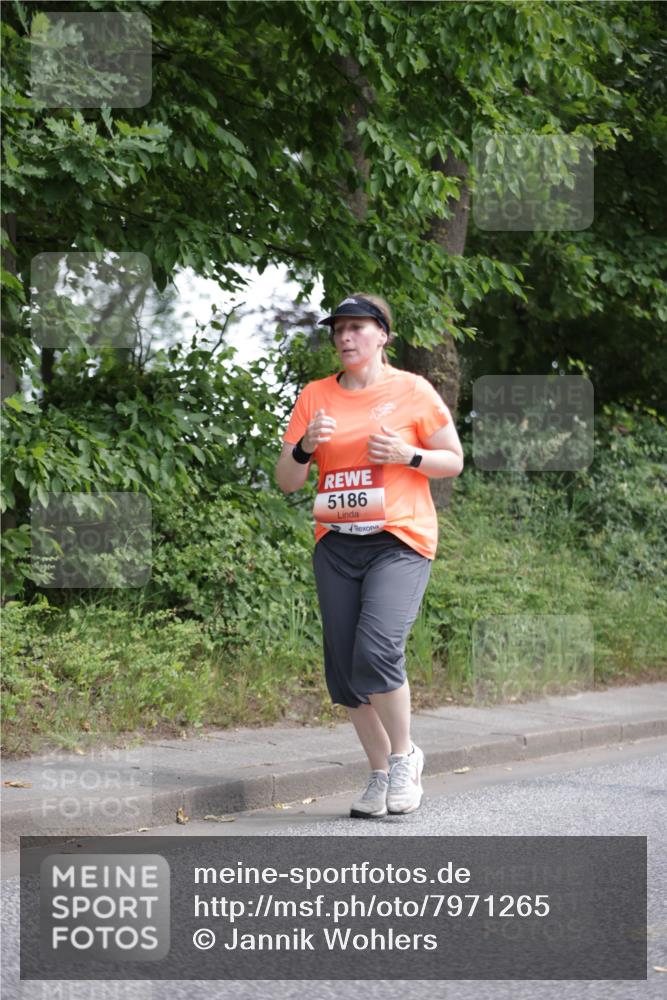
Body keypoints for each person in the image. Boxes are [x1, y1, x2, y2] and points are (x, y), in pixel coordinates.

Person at [274, 292, 464, 818]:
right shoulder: (315, 396)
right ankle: (380, 773)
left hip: (398, 539)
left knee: (377, 649)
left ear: (382, 335)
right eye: (338, 329)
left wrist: (410, 455)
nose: (345, 336)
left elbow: (454, 460)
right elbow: (287, 481)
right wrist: (306, 446)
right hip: (336, 544)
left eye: (357, 327)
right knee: (344, 670)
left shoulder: (414, 390)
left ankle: (405, 757)